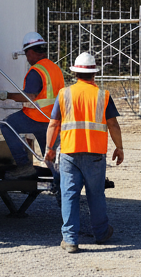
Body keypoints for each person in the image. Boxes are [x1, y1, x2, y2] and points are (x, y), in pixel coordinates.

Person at [45, 52, 124, 253]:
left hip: (69, 153)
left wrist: (49, 148)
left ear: (75, 73)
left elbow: (54, 123)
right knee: (95, 195)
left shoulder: (64, 94)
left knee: (69, 194)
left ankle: (70, 240)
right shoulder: (102, 95)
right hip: (95, 154)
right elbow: (113, 124)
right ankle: (101, 233)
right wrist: (119, 147)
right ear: (94, 74)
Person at [0, 31, 65, 180]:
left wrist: (7, 95)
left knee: (7, 124)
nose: (27, 58)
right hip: (52, 120)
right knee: (51, 158)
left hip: (36, 117)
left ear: (32, 52)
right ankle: (63, 189)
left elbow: (29, 96)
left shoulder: (36, 71)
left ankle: (24, 166)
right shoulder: (54, 68)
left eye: (27, 54)